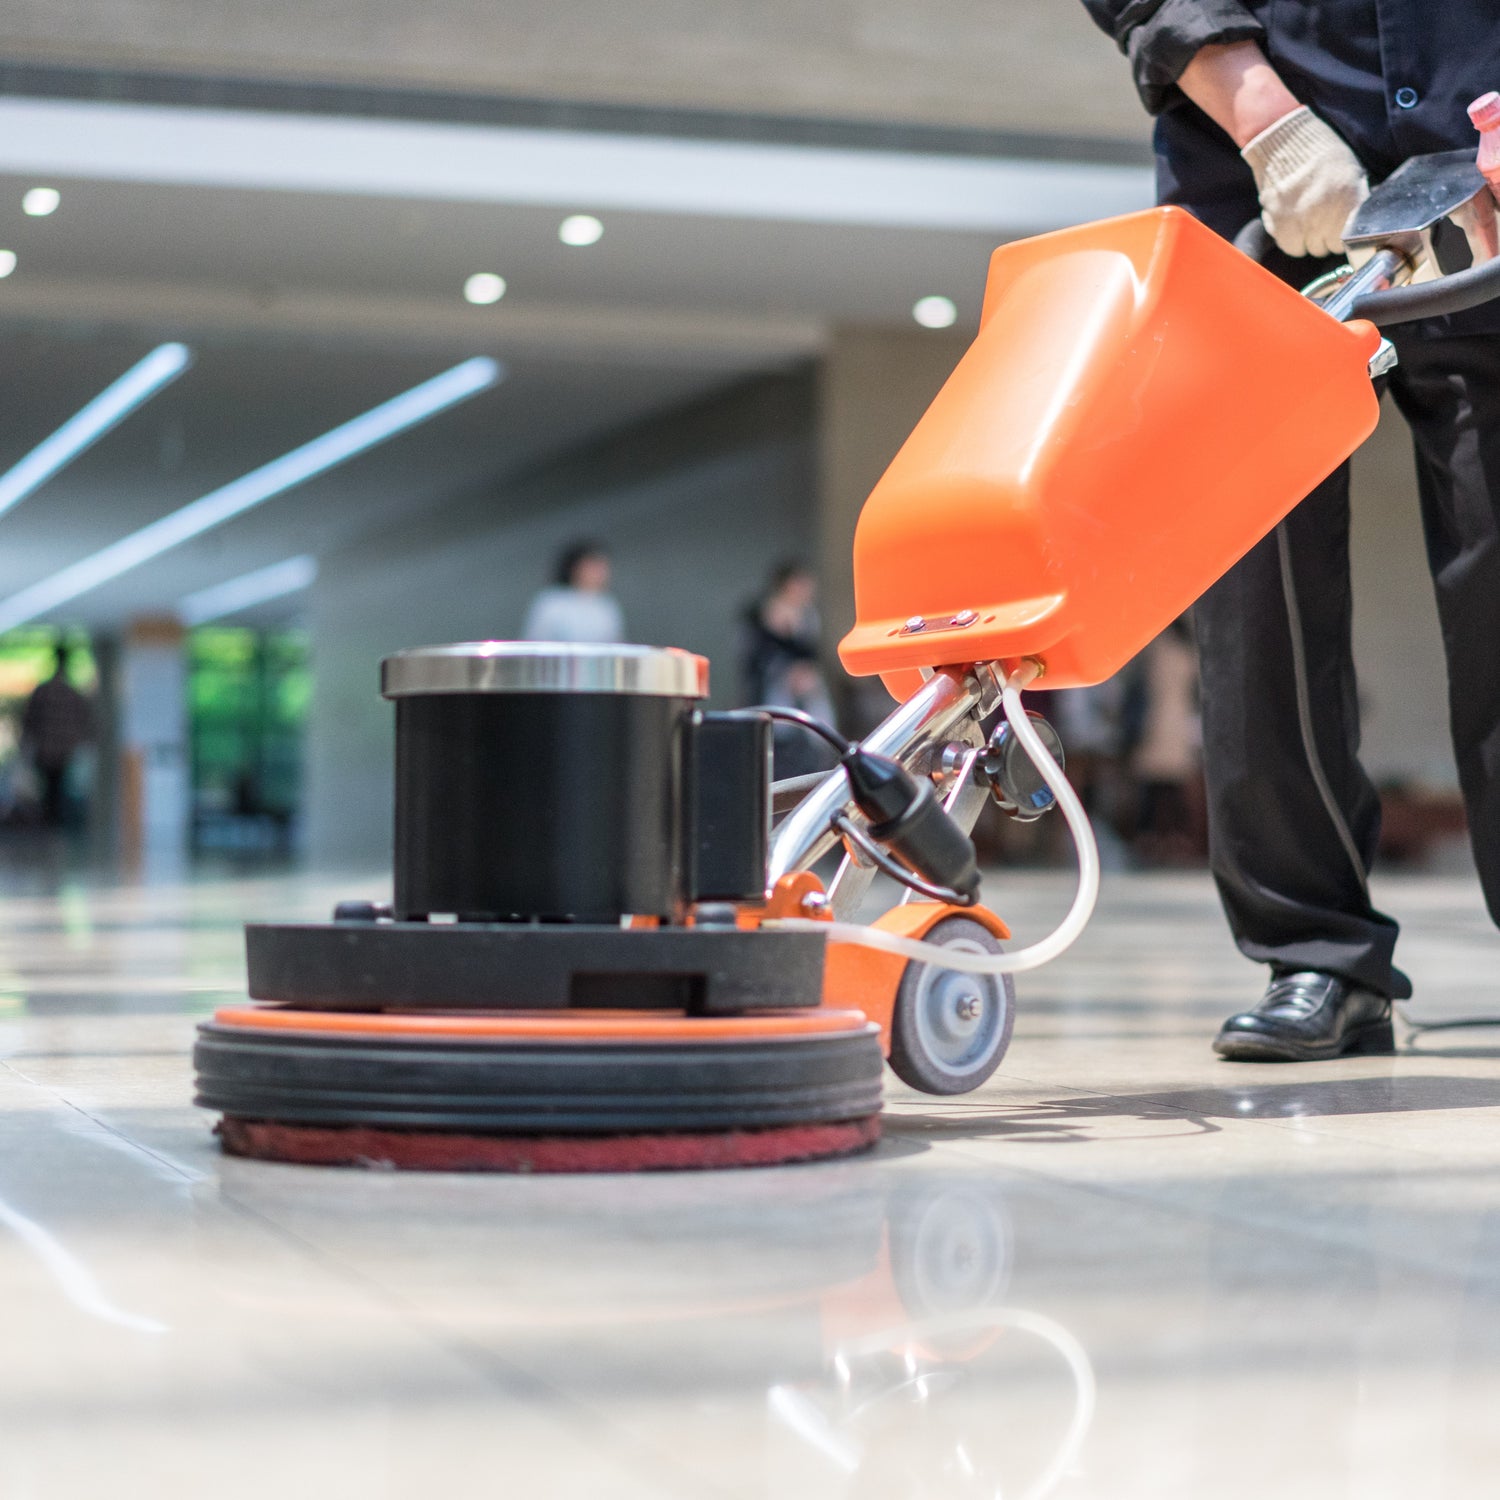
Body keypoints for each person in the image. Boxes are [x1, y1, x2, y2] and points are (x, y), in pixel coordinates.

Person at [1082, 1, 1500, 1059]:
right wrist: (1257, 109)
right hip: (1257, 180)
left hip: (1484, 165)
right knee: (1259, 606)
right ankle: (1319, 955)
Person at [741, 562, 838, 778]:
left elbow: (810, 652)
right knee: (780, 737)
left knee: (818, 734)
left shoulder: (808, 614)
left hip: (805, 687)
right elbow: (759, 658)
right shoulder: (764, 613)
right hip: (775, 688)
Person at [21, 646, 93, 829]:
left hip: (47, 752)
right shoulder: (72, 694)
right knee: (56, 791)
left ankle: (50, 824)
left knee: (50, 791)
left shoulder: (44, 691)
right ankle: (53, 824)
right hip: (62, 752)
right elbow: (83, 724)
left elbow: (29, 722)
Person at [523, 541, 625, 644]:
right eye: (593, 566)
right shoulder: (551, 602)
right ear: (576, 568)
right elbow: (536, 643)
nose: (600, 573)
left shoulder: (607, 605)